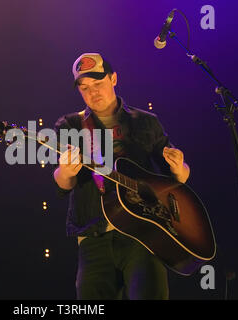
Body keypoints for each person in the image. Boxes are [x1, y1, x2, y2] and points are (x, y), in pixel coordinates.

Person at [52, 53, 190, 300]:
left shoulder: (146, 122)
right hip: (94, 235)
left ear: (113, 78)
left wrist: (180, 168)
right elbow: (63, 184)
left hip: (143, 236)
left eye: (98, 84)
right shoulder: (69, 126)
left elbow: (177, 179)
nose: (92, 92)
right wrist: (66, 171)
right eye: (84, 88)